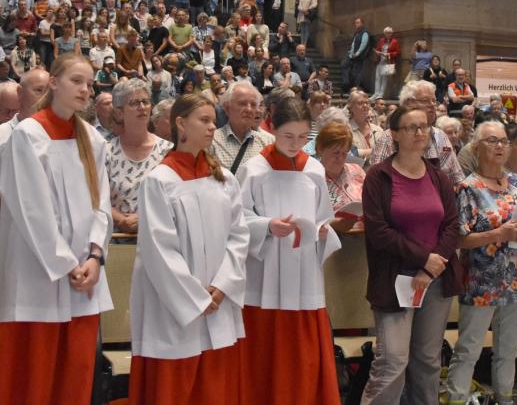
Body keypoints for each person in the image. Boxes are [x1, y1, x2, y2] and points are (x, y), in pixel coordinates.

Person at [0, 53, 112, 405]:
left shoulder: (93, 139)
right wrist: (67, 263)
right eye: (76, 81)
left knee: (75, 376)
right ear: (53, 83)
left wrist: (95, 256)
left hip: (85, 278)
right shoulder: (28, 135)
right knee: (33, 376)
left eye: (90, 84)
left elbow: (102, 205)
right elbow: (30, 209)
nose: (84, 89)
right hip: (39, 276)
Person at [127, 94, 249, 405]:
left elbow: (239, 235)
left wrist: (222, 286)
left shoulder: (225, 180)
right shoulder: (158, 181)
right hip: (175, 307)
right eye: (204, 121)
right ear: (181, 123)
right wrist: (196, 298)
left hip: (218, 301)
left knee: (216, 388)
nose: (212, 128)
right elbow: (158, 249)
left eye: (213, 121)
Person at [237, 98, 341, 405]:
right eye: (287, 137)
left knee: (304, 351)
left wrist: (323, 229)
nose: (295, 145)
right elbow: (237, 220)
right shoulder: (253, 170)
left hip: (304, 271)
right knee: (264, 352)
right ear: (272, 128)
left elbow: (324, 214)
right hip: (265, 271)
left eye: (302, 137)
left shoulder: (315, 170)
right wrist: (267, 225)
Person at [361, 105, 463, 405]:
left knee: (428, 360)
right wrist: (423, 259)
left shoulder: (438, 176)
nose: (420, 132)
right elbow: (378, 231)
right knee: (392, 360)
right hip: (394, 279)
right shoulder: (379, 177)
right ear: (394, 134)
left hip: (435, 280)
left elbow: (452, 224)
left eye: (424, 126)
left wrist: (430, 268)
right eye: (411, 127)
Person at [446, 121, 517, 405]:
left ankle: (505, 398)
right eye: (491, 141)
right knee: (469, 348)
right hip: (481, 280)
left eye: (503, 141)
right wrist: (499, 234)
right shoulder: (467, 188)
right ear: (476, 148)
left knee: (509, 348)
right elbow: (459, 239)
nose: (499, 146)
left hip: (514, 277)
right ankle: (457, 399)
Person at [369, 80, 465, 187]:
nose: (432, 105)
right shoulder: (390, 137)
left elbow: (458, 179)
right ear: (408, 104)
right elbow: (376, 182)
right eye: (425, 101)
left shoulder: (440, 136)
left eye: (434, 101)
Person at [106, 79, 172, 233]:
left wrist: (145, 219)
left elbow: (175, 198)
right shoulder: (106, 151)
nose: (142, 107)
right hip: (116, 242)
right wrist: (121, 219)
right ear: (119, 112)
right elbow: (96, 198)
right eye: (134, 103)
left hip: (159, 238)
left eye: (145, 101)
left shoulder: (168, 150)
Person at [210, 81, 275, 174]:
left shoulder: (269, 141)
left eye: (253, 105)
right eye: (242, 103)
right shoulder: (211, 141)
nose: (249, 109)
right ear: (226, 107)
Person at [317, 121, 365, 234]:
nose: (341, 158)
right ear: (320, 150)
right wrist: (332, 224)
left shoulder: (356, 170)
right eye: (336, 153)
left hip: (363, 237)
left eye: (344, 153)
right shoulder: (313, 177)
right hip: (331, 242)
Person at [0, 68, 49, 148]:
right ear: (20, 92)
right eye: (39, 90)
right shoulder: (3, 135)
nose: (46, 97)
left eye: (49, 92)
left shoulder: (60, 133)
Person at [348, 90, 382, 162]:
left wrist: (361, 152)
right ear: (351, 107)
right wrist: (376, 152)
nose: (365, 106)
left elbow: (386, 153)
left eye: (367, 103)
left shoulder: (378, 130)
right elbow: (349, 154)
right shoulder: (344, 130)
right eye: (360, 103)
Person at [341, 17, 370, 94]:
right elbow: (353, 43)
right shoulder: (356, 33)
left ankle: (354, 88)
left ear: (362, 24)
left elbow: (364, 44)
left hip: (359, 57)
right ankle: (346, 83)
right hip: (351, 55)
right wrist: (351, 51)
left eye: (358, 22)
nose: (356, 24)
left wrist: (358, 52)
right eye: (355, 23)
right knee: (344, 65)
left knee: (356, 73)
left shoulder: (365, 33)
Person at [373, 26, 399, 100]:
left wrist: (389, 54)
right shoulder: (381, 40)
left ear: (392, 33)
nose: (388, 34)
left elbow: (397, 52)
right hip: (380, 61)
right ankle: (376, 93)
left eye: (390, 33)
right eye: (387, 33)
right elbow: (378, 49)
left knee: (384, 78)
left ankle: (381, 94)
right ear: (384, 33)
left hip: (388, 62)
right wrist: (377, 53)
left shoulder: (394, 41)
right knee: (377, 78)